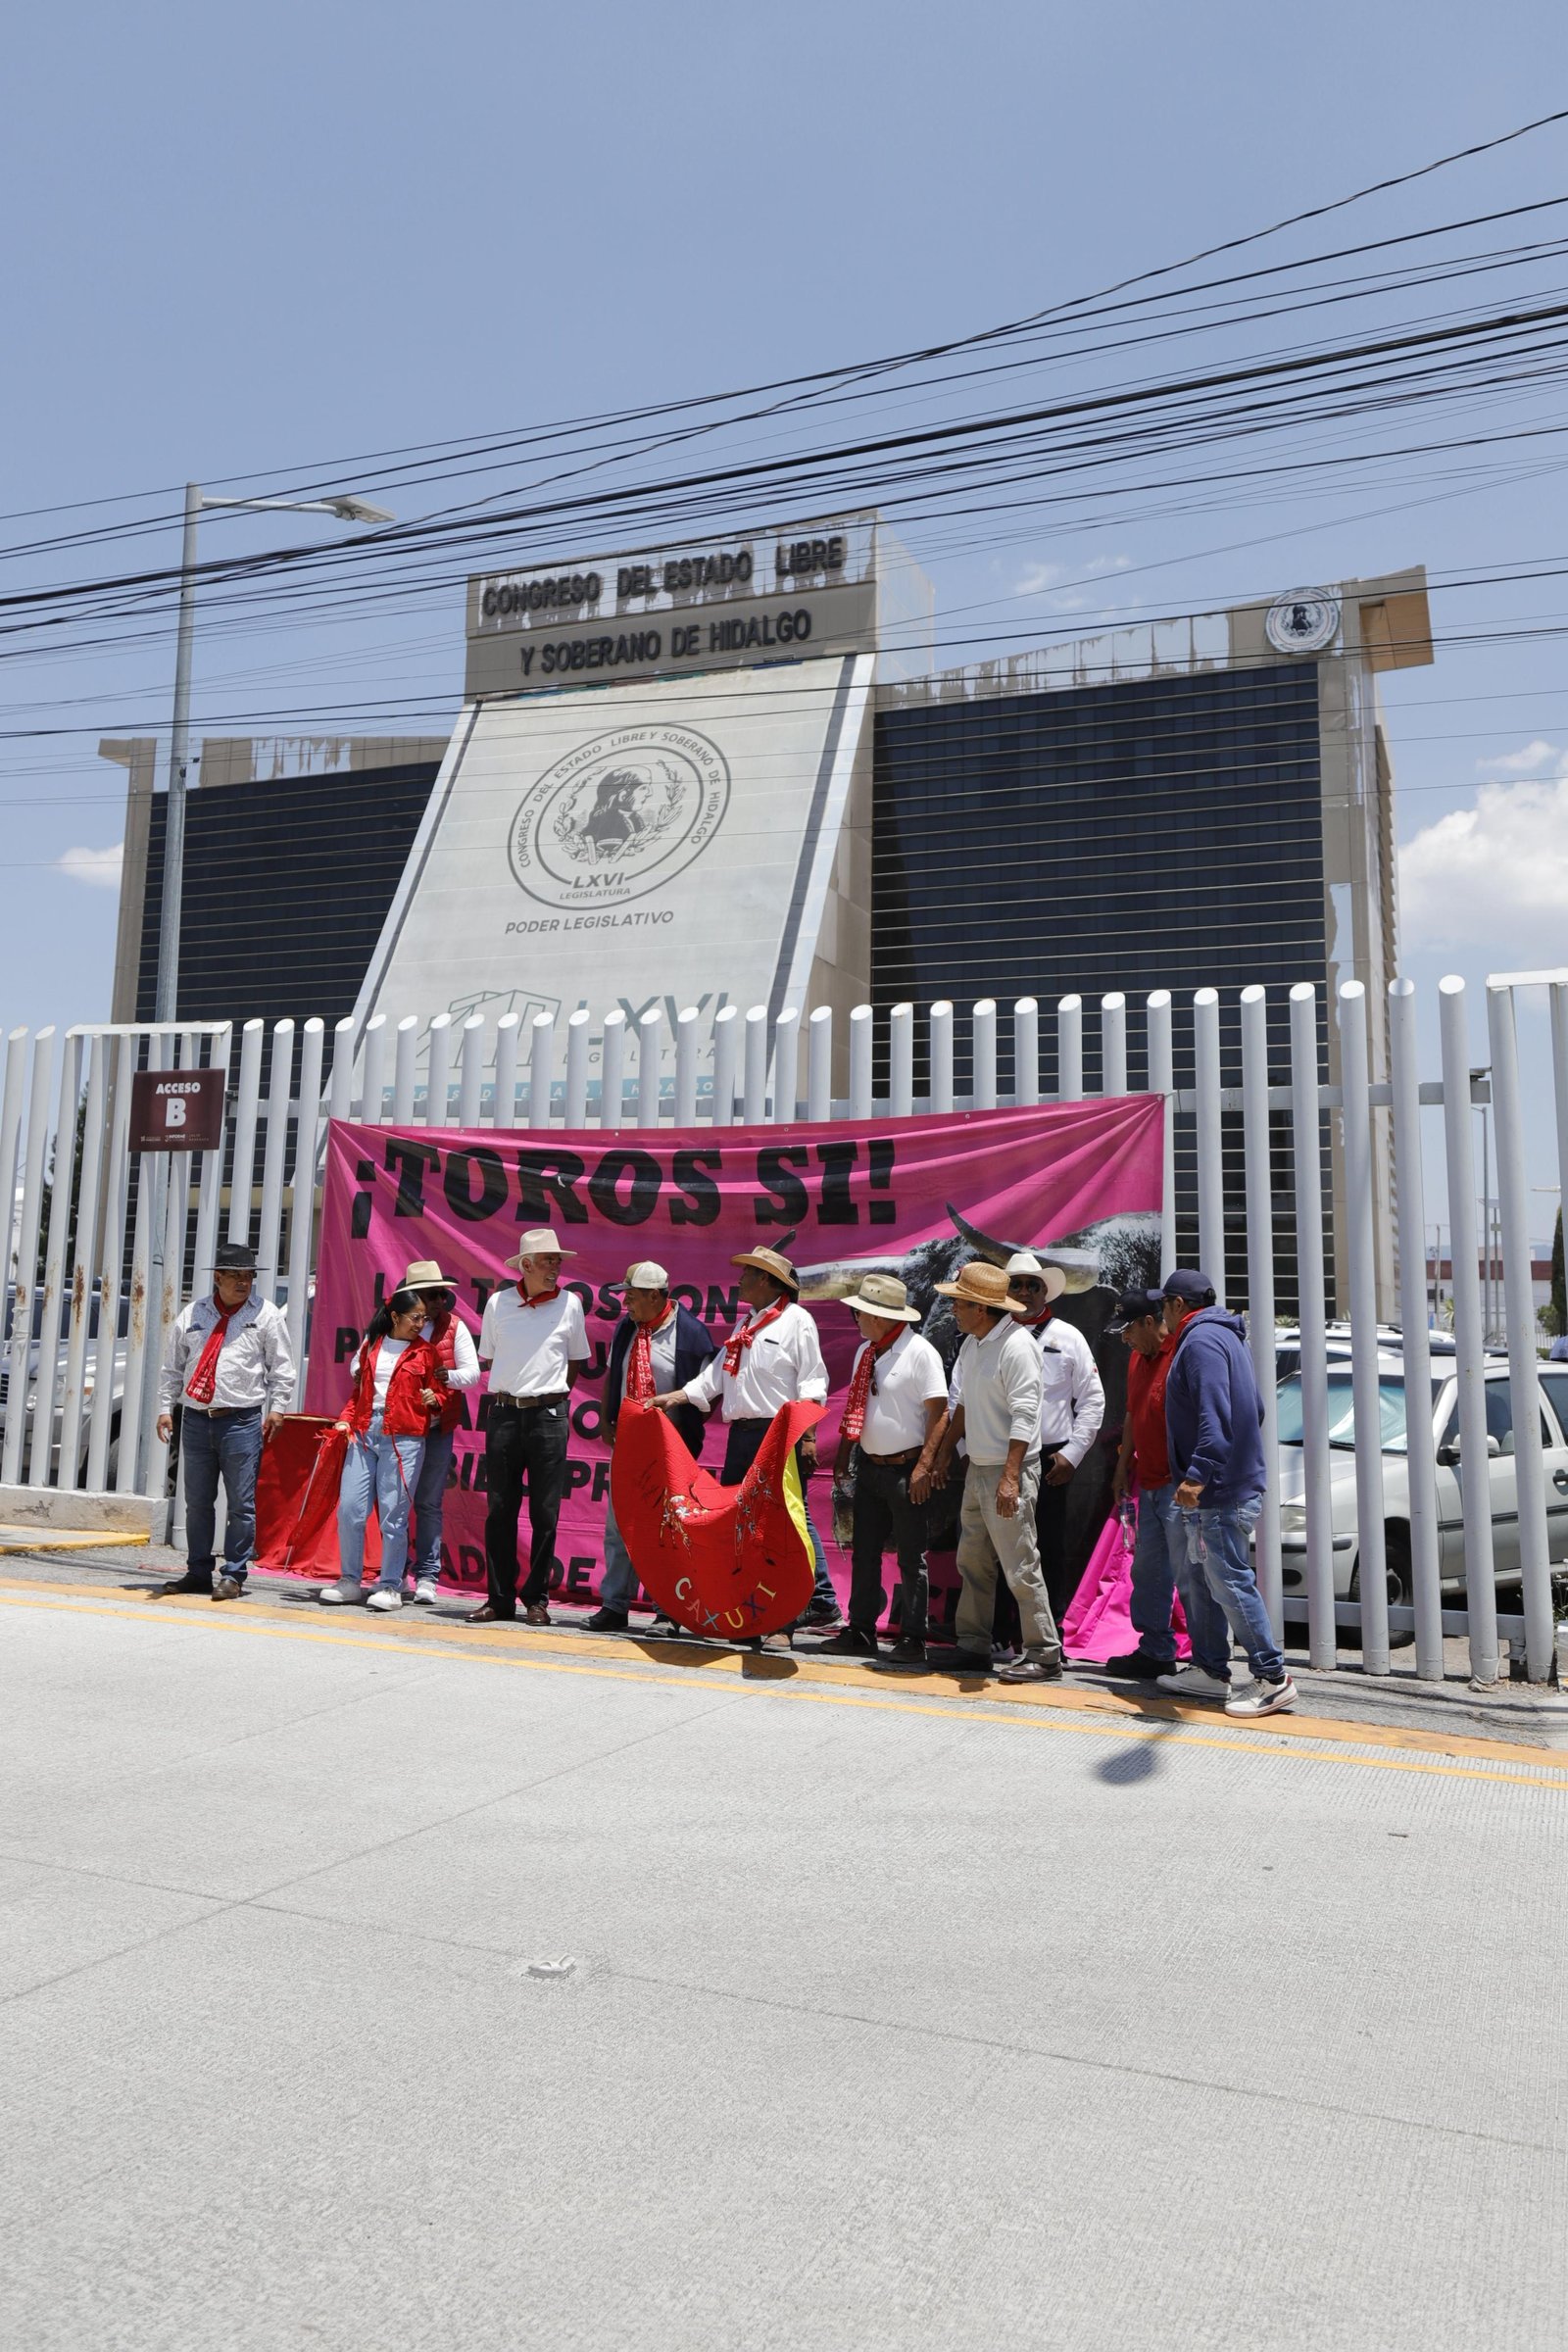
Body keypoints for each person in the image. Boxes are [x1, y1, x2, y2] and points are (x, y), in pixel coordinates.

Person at [651, 1246, 840, 1650]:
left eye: (748, 1274)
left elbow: (812, 1383)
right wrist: (677, 1397)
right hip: (743, 1435)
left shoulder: (797, 1321)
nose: (739, 1281)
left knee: (782, 1525)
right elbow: (714, 1377)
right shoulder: (747, 1325)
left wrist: (806, 1438)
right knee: (745, 1527)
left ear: (768, 1281)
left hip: (778, 1433)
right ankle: (756, 1613)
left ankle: (786, 1621)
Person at [1155, 1269, 1298, 1718]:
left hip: (1216, 1491)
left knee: (1229, 1582)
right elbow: (1252, 1407)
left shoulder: (1199, 1342)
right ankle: (1211, 1670)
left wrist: (1199, 1473)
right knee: (1203, 1581)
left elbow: (1214, 1414)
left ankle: (1273, 1678)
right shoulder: (1226, 1337)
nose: (1162, 1313)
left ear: (1178, 1305)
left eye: (1164, 1305)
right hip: (1223, 1485)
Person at [921, 1258, 1061, 1684]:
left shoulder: (1018, 1347)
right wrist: (946, 1451)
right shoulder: (975, 1343)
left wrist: (1010, 1476)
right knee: (974, 1560)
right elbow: (961, 1404)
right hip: (982, 1467)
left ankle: (1044, 1653)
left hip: (1006, 1469)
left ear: (980, 1309)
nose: (953, 1311)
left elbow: (1025, 1416)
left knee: (1020, 1562)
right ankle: (973, 1645)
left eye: (959, 1303)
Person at [155, 1240, 296, 1601]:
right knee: (198, 1501)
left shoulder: (265, 1314)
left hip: (241, 1420)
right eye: (235, 1276)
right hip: (197, 1420)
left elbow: (281, 1368)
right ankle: (198, 1571)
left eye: (248, 1276)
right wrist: (164, 1408)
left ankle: (234, 1573)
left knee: (241, 1503)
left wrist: (278, 1407)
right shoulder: (193, 1314)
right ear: (217, 1277)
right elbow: (172, 1367)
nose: (243, 1282)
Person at [466, 1229, 591, 1627]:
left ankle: (536, 1598)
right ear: (526, 1265)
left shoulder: (571, 1304)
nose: (556, 1267)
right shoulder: (498, 1303)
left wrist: (551, 1399)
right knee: (500, 1509)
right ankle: (499, 1598)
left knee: (545, 1512)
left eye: (558, 1260)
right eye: (548, 1260)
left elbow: (575, 1361)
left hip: (548, 1416)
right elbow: (487, 1356)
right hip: (504, 1412)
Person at [820, 1273, 947, 1665]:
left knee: (911, 1555)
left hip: (906, 1466)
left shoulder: (919, 1352)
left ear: (881, 1317)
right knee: (865, 1551)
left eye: (861, 1312)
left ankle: (913, 1636)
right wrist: (845, 1455)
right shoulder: (867, 1352)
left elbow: (939, 1412)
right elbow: (857, 1408)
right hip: (871, 1466)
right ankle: (861, 1629)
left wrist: (925, 1466)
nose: (856, 1318)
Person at [585, 1260, 716, 1634]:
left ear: (657, 1296)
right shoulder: (627, 1327)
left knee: (670, 1530)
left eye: (633, 1295)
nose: (625, 1301)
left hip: (672, 1449)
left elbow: (706, 1392)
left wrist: (681, 1435)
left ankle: (668, 1610)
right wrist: (607, 1420)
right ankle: (615, 1605)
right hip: (629, 1444)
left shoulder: (690, 1334)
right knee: (620, 1526)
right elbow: (613, 1376)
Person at [318, 1289, 448, 1612]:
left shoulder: (427, 1354)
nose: (421, 1323)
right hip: (364, 1433)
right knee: (350, 1508)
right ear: (395, 1317)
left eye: (424, 1318)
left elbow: (441, 1393)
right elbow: (357, 1394)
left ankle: (390, 1584)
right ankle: (349, 1580)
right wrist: (345, 1421)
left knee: (394, 1515)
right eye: (415, 1317)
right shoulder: (372, 1348)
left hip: (403, 1438)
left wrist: (436, 1400)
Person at [1004, 1251, 1104, 1624]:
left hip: (1050, 1459)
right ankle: (1001, 1631)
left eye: (1034, 1285)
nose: (1026, 1292)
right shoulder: (990, 1334)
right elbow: (960, 1396)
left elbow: (1093, 1398)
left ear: (1046, 1292)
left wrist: (1073, 1453)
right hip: (998, 1456)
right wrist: (967, 1450)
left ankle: (1050, 1633)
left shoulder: (1068, 1336)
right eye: (1017, 1284)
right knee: (999, 1547)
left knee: (1047, 1547)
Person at [1102, 1287, 1184, 1679]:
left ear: (1149, 1322)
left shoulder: (1182, 1354)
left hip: (1181, 1485)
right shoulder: (1138, 1358)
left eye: (1128, 1331)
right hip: (1149, 1481)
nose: (1125, 1339)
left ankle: (1210, 1660)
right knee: (1148, 1570)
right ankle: (1155, 1650)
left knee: (1189, 1573)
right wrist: (1122, 1468)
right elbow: (1133, 1415)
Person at [400, 1258, 481, 1605]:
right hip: (399, 1427)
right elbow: (364, 1361)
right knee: (396, 1503)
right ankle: (394, 1571)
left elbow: (473, 1374)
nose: (439, 1303)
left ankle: (427, 1576)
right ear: (414, 1296)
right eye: (432, 1296)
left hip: (435, 1427)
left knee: (429, 1503)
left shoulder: (454, 1327)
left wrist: (443, 1377)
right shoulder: (395, 1323)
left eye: (442, 1296)